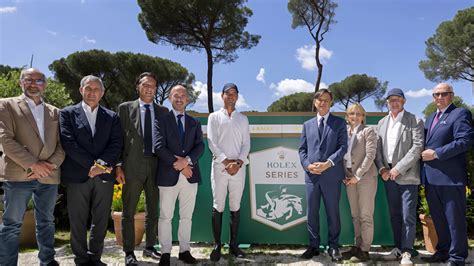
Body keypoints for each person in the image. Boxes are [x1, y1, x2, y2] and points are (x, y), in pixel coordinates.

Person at [0, 68, 65, 266]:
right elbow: (5, 139)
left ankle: (47, 260)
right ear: (21, 83)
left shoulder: (55, 111)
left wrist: (50, 165)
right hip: (19, 176)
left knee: (46, 222)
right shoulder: (6, 105)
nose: (33, 84)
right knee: (12, 224)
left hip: (49, 176)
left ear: (45, 85)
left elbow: (63, 145)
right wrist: (33, 165)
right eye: (28, 79)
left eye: (38, 80)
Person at [59, 75, 123, 266]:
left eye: (96, 89)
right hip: (78, 175)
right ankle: (81, 259)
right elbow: (68, 143)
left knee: (101, 219)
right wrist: (91, 166)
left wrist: (100, 166)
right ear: (81, 90)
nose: (92, 92)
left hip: (104, 175)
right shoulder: (67, 113)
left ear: (102, 93)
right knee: (77, 219)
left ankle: (95, 257)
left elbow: (116, 144)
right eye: (88, 88)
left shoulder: (112, 117)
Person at [115, 72, 168, 265]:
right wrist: (118, 165)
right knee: (128, 211)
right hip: (131, 166)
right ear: (137, 86)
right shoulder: (125, 108)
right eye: (145, 84)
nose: (149, 88)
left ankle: (150, 247)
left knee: (153, 210)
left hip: (156, 166)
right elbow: (118, 139)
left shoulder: (163, 111)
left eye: (153, 85)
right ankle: (129, 252)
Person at [420, 83, 473, 266]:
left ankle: (457, 258)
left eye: (443, 94)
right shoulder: (430, 118)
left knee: (454, 220)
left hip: (451, 178)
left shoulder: (460, 114)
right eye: (436, 94)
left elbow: (465, 141)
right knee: (439, 219)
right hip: (431, 178)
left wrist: (436, 153)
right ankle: (442, 251)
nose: (439, 97)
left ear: (452, 95)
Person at [154, 85, 204, 266]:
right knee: (166, 216)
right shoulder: (161, 120)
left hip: (190, 176)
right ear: (170, 98)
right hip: (168, 175)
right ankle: (165, 252)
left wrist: (187, 161)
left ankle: (184, 251)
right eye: (176, 95)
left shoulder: (194, 122)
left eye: (183, 96)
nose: (180, 98)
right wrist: (180, 165)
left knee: (186, 217)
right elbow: (159, 146)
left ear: (188, 100)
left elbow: (200, 147)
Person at [374, 88, 423, 266]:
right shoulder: (381, 123)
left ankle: (407, 252)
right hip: (387, 176)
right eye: (391, 100)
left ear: (404, 101)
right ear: (387, 102)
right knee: (394, 214)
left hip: (407, 175)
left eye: (398, 99)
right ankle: (397, 248)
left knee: (407, 215)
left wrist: (398, 169)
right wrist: (381, 169)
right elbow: (378, 151)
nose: (394, 102)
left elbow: (417, 148)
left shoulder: (415, 120)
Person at [298, 89, 348, 262]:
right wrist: (308, 165)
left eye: (326, 100)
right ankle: (313, 246)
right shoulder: (307, 125)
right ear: (314, 102)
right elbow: (302, 150)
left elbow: (343, 148)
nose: (323, 103)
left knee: (332, 213)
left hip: (331, 176)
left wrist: (328, 163)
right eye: (319, 100)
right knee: (312, 213)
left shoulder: (340, 123)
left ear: (331, 102)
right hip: (311, 176)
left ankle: (333, 246)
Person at [207, 83, 251, 262]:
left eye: (234, 94)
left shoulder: (243, 119)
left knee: (235, 205)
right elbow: (211, 142)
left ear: (237, 97)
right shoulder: (214, 117)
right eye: (228, 93)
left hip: (238, 168)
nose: (231, 96)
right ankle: (217, 245)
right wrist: (227, 162)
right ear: (222, 96)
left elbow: (246, 144)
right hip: (220, 167)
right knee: (218, 205)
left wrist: (238, 163)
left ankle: (233, 245)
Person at [341, 103, 377, 262]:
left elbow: (370, 155)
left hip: (365, 178)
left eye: (358, 114)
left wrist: (358, 175)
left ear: (363, 116)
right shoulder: (345, 132)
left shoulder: (368, 131)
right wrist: (345, 175)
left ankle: (365, 250)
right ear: (347, 117)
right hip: (349, 178)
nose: (354, 117)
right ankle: (357, 246)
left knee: (365, 215)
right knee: (355, 215)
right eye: (351, 114)